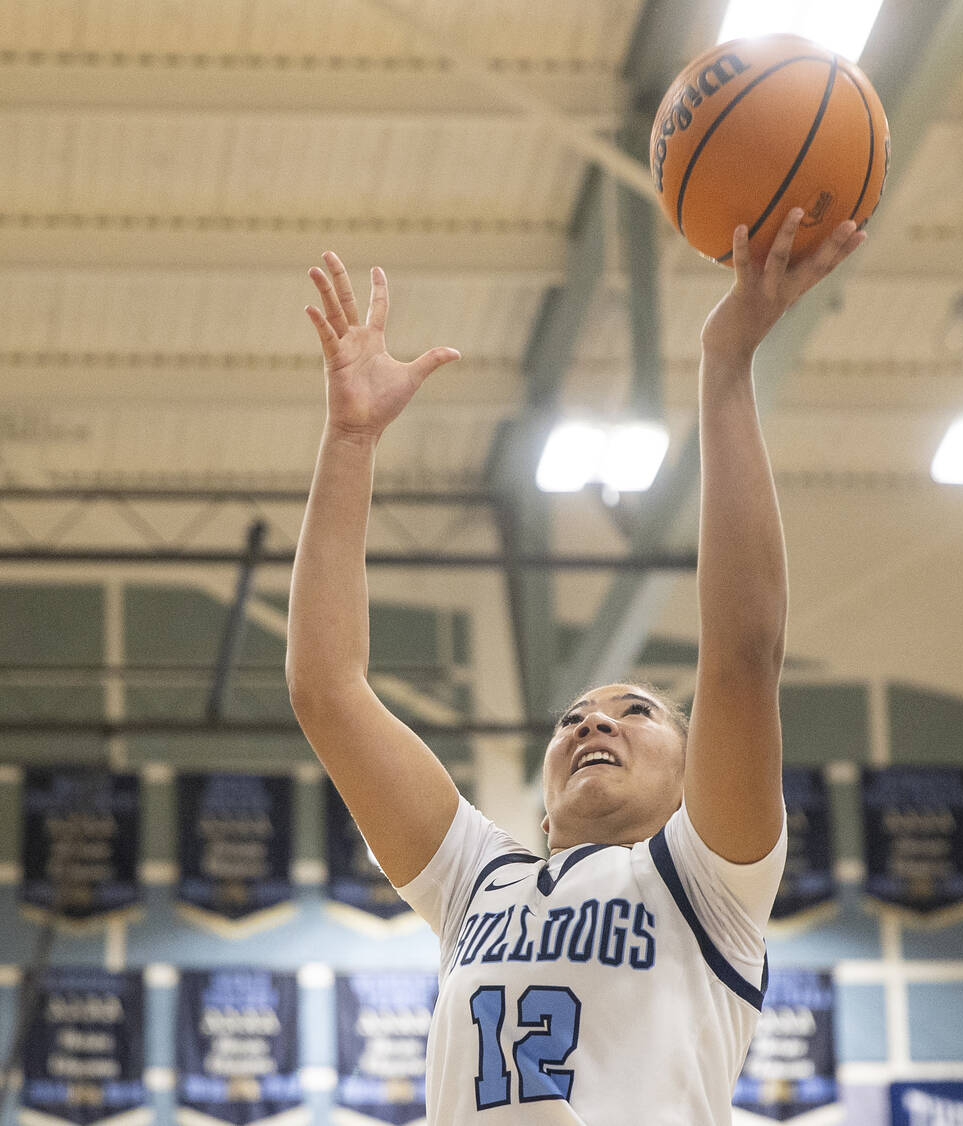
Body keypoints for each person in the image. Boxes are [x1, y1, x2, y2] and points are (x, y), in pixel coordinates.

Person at [286, 209, 866, 1124]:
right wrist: (351, 443)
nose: (592, 723)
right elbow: (327, 689)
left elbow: (744, 657)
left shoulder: (706, 884)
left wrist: (726, 366)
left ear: (691, 776)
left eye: (636, 711)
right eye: (573, 718)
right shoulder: (477, 879)